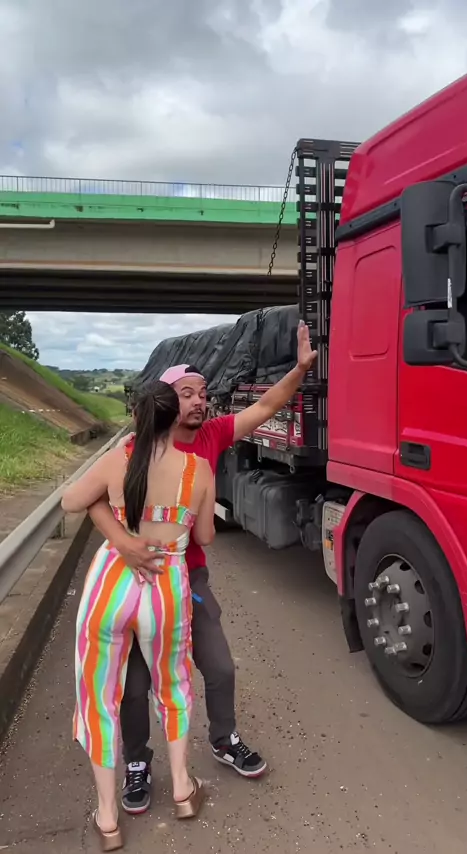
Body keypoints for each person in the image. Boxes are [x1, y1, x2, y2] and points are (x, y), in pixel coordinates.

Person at [87, 320, 317, 816]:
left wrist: (300, 369)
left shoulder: (211, 437)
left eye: (203, 393)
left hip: (188, 580)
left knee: (218, 665)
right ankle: (137, 762)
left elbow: (266, 407)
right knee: (136, 685)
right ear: (165, 403)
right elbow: (90, 500)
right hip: (136, 580)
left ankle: (223, 738)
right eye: (187, 394)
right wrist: (125, 545)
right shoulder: (136, 450)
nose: (200, 402)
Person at [61, 380, 216, 849]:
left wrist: (119, 526)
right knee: (174, 686)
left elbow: (71, 501)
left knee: (98, 696)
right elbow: (205, 537)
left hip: (111, 584)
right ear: (174, 418)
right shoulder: (199, 469)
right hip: (166, 586)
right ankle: (183, 789)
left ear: (137, 415)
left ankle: (109, 818)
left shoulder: (118, 460)